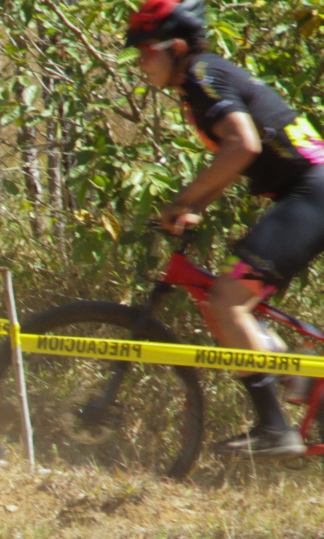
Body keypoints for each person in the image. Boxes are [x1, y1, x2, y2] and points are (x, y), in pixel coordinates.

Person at [127, 0, 324, 456]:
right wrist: (195, 204)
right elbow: (232, 159)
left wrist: (183, 199)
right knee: (230, 302)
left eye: (146, 51)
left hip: (312, 192)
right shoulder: (201, 78)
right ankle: (304, 377)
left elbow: (243, 146)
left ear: (176, 48)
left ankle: (275, 428)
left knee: (227, 301)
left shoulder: (202, 76)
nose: (140, 62)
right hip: (308, 191)